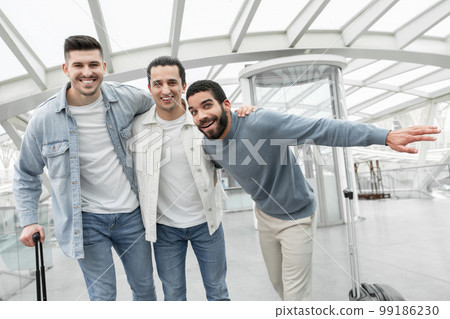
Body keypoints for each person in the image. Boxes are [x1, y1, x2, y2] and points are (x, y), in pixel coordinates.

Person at [185, 79, 440, 301]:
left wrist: (383, 135)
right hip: (264, 215)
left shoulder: (261, 122)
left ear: (226, 105)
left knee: (296, 296)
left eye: (207, 105)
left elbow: (322, 129)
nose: (201, 116)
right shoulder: (208, 144)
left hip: (297, 215)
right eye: (193, 111)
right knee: (279, 285)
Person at [13, 35, 156, 301]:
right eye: (78, 65)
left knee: (145, 290)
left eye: (93, 64)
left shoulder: (127, 99)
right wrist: (29, 220)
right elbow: (25, 172)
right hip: (86, 221)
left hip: (132, 215)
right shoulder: (44, 119)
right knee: (102, 297)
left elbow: (162, 108)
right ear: (66, 69)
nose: (87, 72)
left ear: (103, 66)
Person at [129, 56, 254, 301]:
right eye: (157, 83)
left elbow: (237, 126)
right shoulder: (138, 127)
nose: (166, 90)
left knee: (218, 291)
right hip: (165, 229)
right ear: (150, 88)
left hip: (206, 223)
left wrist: (251, 111)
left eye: (172, 82)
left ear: (184, 86)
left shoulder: (203, 121)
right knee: (174, 296)